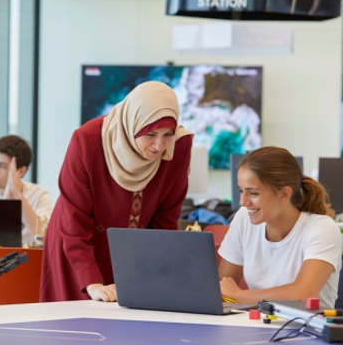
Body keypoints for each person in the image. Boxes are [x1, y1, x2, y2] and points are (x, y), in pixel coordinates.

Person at [40, 81, 193, 302]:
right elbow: (75, 221)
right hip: (77, 245)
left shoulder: (179, 146)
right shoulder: (88, 140)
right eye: (150, 134)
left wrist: (158, 275)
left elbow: (166, 220)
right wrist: (92, 283)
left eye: (167, 134)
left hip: (133, 251)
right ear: (133, 124)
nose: (159, 146)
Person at [218, 146, 342, 309]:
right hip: (255, 325)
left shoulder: (323, 228)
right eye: (241, 191)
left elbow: (301, 296)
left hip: (308, 330)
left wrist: (238, 295)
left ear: (284, 194)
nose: (243, 202)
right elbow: (221, 287)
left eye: (253, 193)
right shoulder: (243, 217)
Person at [0, 135, 53, 246]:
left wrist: (17, 194)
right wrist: (7, 199)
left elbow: (40, 236)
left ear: (21, 171)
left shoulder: (40, 195)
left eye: (2, 166)